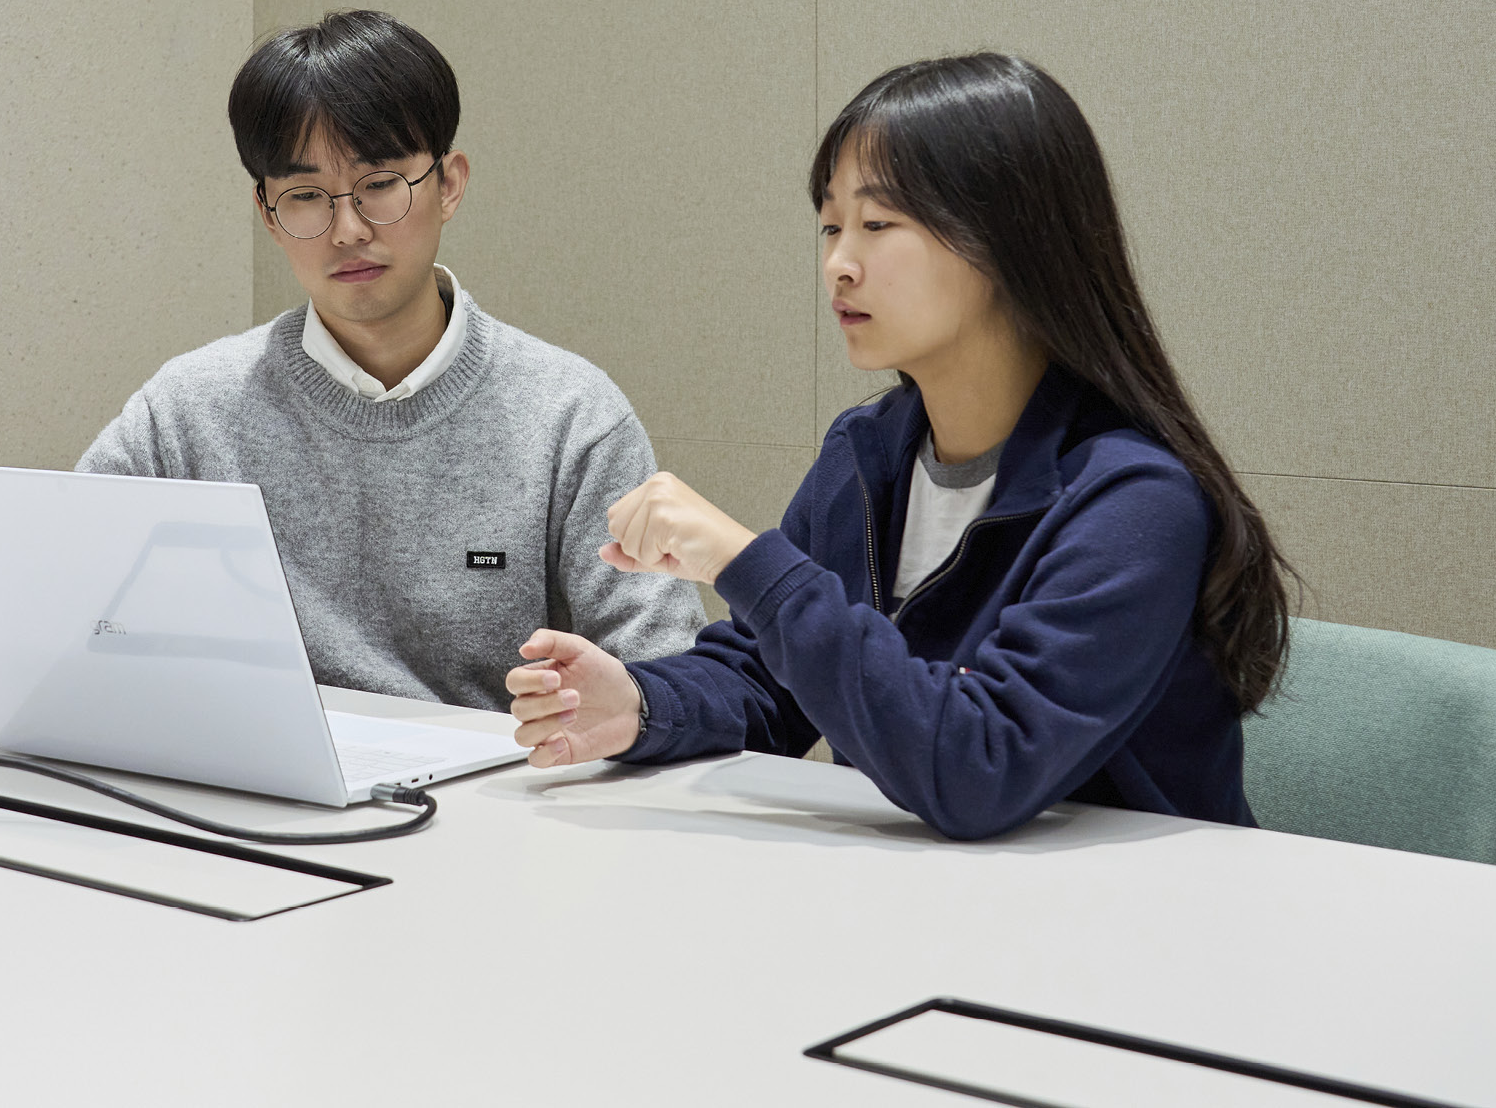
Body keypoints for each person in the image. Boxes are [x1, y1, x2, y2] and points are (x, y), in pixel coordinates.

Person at [504, 52, 1294, 838]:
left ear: (1008, 241)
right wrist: (639, 706)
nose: (838, 265)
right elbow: (765, 681)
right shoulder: (867, 452)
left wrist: (746, 560)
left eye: (878, 225)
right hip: (937, 907)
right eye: (830, 225)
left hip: (1136, 924)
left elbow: (979, 764)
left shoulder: (1135, 502)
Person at [78, 10, 702, 710]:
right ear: (267, 211)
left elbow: (668, 675)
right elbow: (60, 603)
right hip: (254, 796)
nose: (347, 230)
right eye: (306, 196)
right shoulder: (189, 408)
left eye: (379, 185)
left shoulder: (570, 416)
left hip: (496, 802)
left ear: (450, 184)